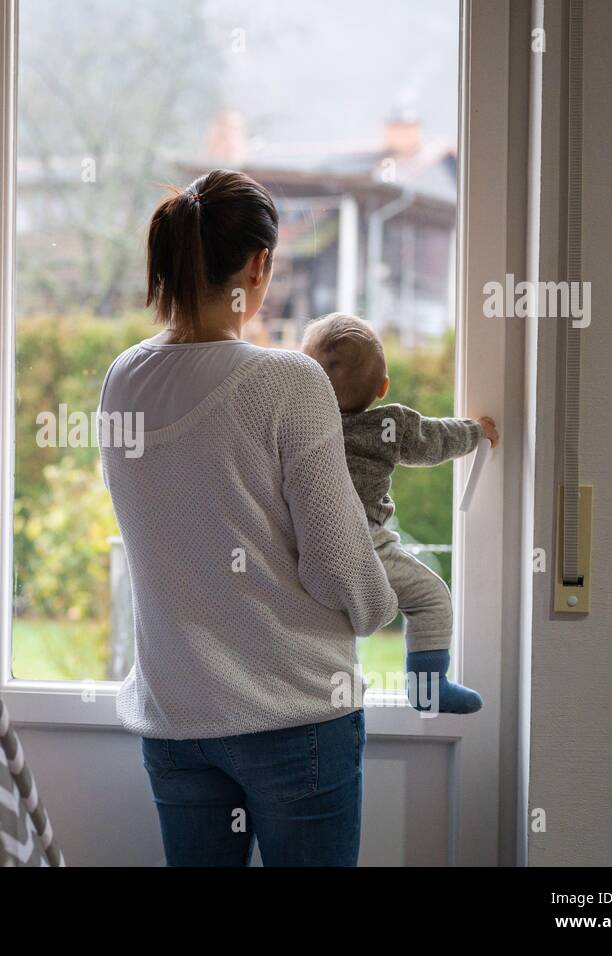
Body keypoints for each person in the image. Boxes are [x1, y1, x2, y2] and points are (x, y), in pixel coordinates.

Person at [97, 169, 397, 866]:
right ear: (260, 264)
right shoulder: (287, 381)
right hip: (296, 717)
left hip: (176, 722)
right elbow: (338, 567)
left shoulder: (122, 380)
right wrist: (380, 604)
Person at [302, 312, 498, 713]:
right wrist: (477, 432)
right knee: (430, 598)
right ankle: (429, 688)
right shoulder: (388, 426)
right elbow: (435, 440)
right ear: (383, 387)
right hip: (365, 544)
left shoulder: (297, 425)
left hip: (302, 544)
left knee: (321, 626)